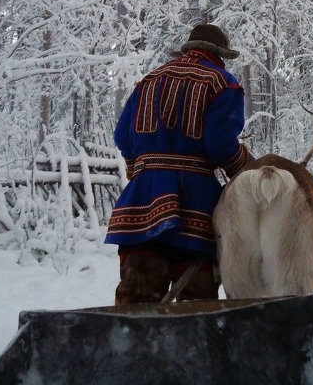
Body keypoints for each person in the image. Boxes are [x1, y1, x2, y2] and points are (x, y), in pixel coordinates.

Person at [104, 23, 250, 305]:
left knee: (136, 300)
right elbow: (220, 146)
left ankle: (132, 343)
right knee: (195, 304)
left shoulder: (148, 81)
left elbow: (123, 136)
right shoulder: (223, 83)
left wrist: (138, 171)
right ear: (220, 55)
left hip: (143, 203)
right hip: (195, 205)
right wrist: (244, 171)